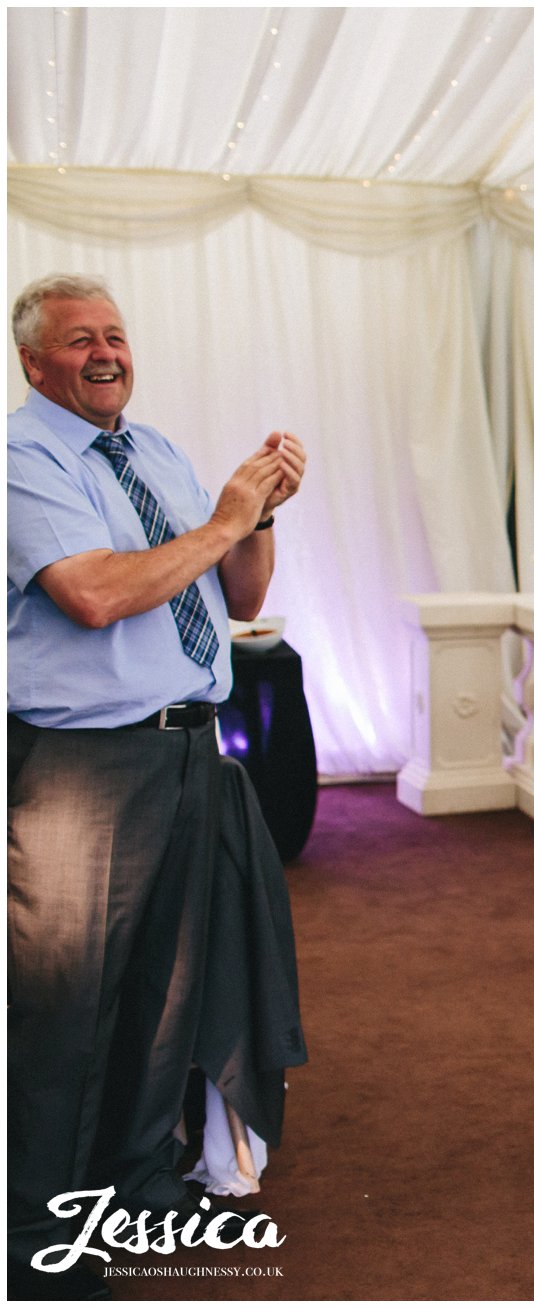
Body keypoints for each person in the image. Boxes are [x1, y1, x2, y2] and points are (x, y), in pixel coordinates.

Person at [8, 273, 306, 1296]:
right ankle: (40, 1234)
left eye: (116, 335)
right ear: (32, 361)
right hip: (82, 775)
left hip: (188, 753)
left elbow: (239, 596)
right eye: (80, 339)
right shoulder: (19, 461)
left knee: (164, 997)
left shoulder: (158, 453)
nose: (105, 353)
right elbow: (92, 595)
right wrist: (225, 519)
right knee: (65, 1010)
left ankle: (135, 1190)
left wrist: (257, 515)